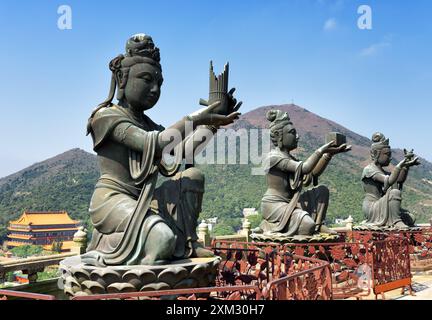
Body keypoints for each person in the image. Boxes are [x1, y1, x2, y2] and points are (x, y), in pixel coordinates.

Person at [82, 34, 241, 266]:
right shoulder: (106, 116)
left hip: (144, 200)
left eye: (159, 83)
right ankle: (141, 272)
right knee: (162, 239)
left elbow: (181, 153)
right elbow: (155, 143)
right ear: (121, 78)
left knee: (191, 176)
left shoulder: (149, 125)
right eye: (146, 79)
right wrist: (195, 119)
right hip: (112, 200)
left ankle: (185, 242)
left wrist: (211, 125)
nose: (155, 89)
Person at [259, 109, 351, 236]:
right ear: (278, 136)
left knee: (322, 191)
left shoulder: (292, 160)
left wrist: (329, 154)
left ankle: (318, 225)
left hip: (292, 204)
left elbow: (312, 174)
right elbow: (306, 168)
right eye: (292, 133)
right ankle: (270, 224)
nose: (297, 137)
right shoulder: (273, 158)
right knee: (307, 225)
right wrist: (321, 150)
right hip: (275, 205)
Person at [361, 132, 419, 228]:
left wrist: (406, 167)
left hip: (382, 204)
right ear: (376, 154)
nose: (390, 158)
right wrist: (399, 165)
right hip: (372, 206)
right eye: (387, 154)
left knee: (410, 217)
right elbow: (390, 181)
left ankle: (396, 219)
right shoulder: (369, 170)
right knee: (395, 192)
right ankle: (396, 221)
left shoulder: (383, 171)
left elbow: (399, 180)